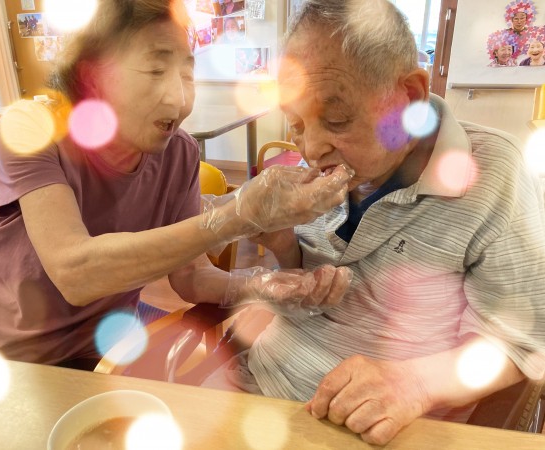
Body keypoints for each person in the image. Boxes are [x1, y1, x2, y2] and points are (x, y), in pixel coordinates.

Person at [202, 0, 545, 445]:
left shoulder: (493, 172)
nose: (312, 149)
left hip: (372, 426)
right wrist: (284, 246)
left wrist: (414, 384)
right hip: (256, 381)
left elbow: (518, 342)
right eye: (296, 123)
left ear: (410, 97)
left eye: (336, 120)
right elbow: (304, 281)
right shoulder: (316, 169)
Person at [0, 0, 353, 370]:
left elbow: (192, 276)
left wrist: (264, 284)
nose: (179, 98)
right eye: (156, 70)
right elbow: (75, 273)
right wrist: (237, 215)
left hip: (96, 352)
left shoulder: (179, 154)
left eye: (188, 74)